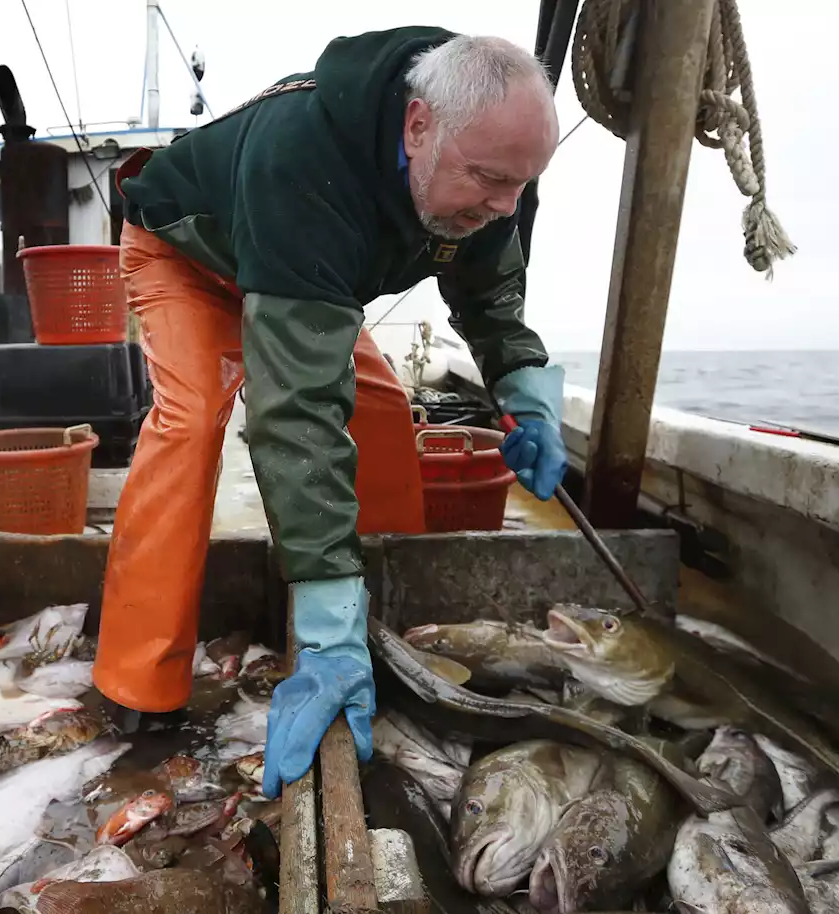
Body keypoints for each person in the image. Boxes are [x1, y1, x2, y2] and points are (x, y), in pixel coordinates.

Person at [92, 25, 569, 799]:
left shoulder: (491, 168)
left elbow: (488, 294)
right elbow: (296, 413)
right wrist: (322, 626)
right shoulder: (302, 158)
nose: (505, 205)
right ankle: (136, 682)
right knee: (190, 427)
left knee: (381, 412)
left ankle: (388, 631)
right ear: (419, 126)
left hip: (304, 279)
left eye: (520, 185)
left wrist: (524, 389)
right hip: (189, 260)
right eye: (489, 181)